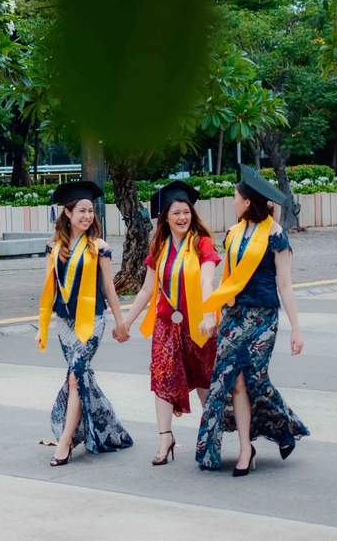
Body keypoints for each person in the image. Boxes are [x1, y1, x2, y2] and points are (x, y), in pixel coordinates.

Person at [196, 167, 309, 476]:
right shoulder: (233, 234)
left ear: (248, 202)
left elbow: (285, 285)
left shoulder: (276, 236)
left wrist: (296, 330)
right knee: (234, 384)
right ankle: (246, 447)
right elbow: (227, 280)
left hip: (263, 318)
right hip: (234, 317)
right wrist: (211, 317)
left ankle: (285, 427)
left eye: (235, 198)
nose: (232, 202)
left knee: (256, 379)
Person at [115, 181, 221, 465]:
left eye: (186, 212)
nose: (182, 218)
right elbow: (147, 290)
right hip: (166, 324)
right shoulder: (159, 246)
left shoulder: (201, 242)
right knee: (162, 378)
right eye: (176, 213)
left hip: (199, 323)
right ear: (165, 217)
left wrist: (210, 314)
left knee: (204, 377)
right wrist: (125, 322)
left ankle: (211, 436)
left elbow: (206, 280)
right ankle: (165, 438)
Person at [36, 181, 133, 466]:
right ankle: (109, 429)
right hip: (65, 323)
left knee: (75, 376)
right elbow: (49, 287)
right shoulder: (53, 247)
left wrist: (120, 322)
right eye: (81, 210)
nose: (87, 216)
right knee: (81, 377)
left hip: (92, 321)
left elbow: (109, 287)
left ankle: (65, 441)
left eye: (91, 211)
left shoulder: (99, 247)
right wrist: (42, 327)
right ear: (67, 213)